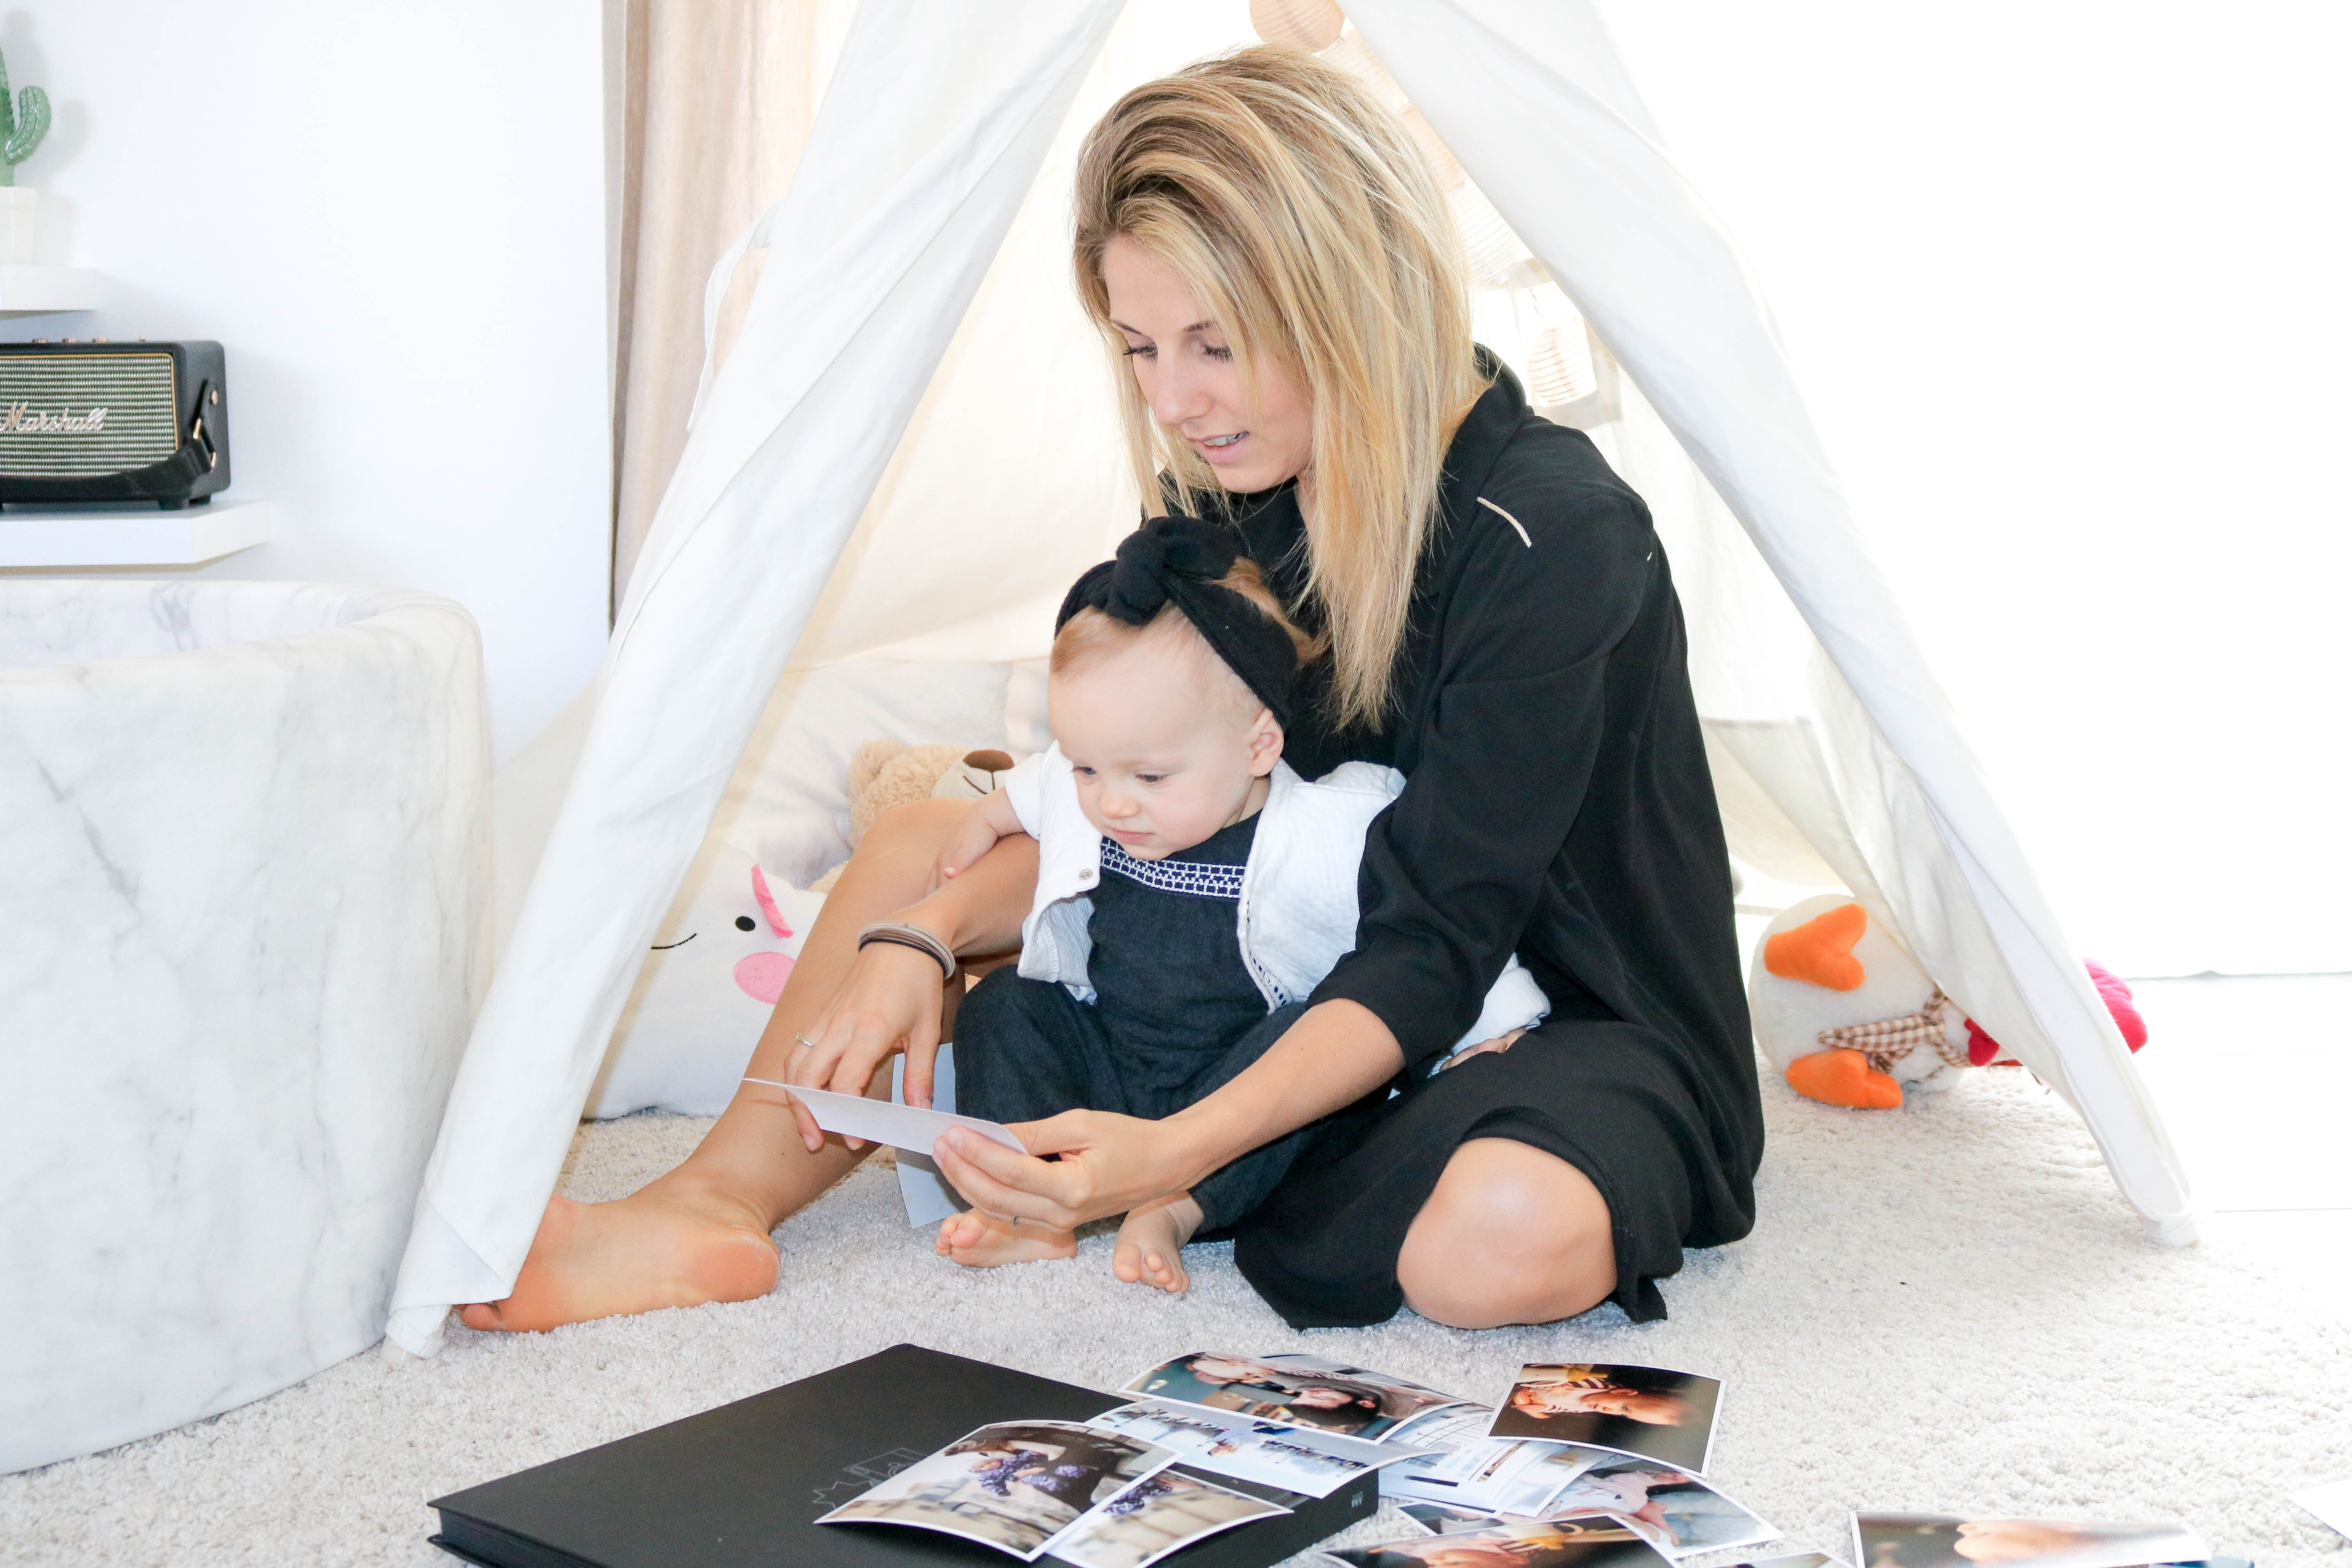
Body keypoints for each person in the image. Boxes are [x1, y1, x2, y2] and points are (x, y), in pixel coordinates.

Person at [459, 45, 1759, 1336]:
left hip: (1534, 1014)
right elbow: (1165, 808)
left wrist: (1172, 1151)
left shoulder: (1553, 535)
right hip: (1282, 966)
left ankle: (1199, 1163)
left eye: (1216, 345)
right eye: (1140, 348)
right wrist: (922, 936)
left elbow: (1436, 943)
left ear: (1352, 302)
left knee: (1491, 1249)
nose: (1176, 400)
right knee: (924, 847)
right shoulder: (1233, 487)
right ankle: (712, 1205)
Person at [930, 517, 1548, 1290]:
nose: (1111, 802)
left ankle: (1177, 1207)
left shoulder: (1323, 834)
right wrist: (993, 814)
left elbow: (1435, 937)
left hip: (1240, 1100)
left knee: (1317, 1043)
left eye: (1150, 777)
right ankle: (1033, 1206)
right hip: (1114, 1063)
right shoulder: (1101, 782)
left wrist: (1496, 1027)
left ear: (1259, 745)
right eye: (1090, 769)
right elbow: (1047, 779)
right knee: (1005, 1003)